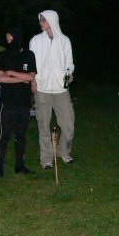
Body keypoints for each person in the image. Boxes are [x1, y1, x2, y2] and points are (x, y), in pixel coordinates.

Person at [29, 10, 75, 169]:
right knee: (43, 126)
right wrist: (33, 81)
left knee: (68, 125)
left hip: (61, 89)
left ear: (52, 20)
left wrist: (69, 73)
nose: (40, 22)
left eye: (43, 20)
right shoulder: (36, 40)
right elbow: (32, 63)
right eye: (40, 20)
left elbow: (69, 63)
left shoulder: (64, 40)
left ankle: (63, 152)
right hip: (42, 89)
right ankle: (46, 159)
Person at [0, 27, 37, 177]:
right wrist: (22, 78)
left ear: (17, 38)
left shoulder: (29, 55)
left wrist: (11, 73)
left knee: (21, 135)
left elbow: (31, 77)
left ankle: (20, 165)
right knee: (3, 136)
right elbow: (0, 78)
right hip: (7, 103)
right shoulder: (3, 55)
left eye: (11, 38)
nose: (8, 41)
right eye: (7, 38)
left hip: (24, 103)